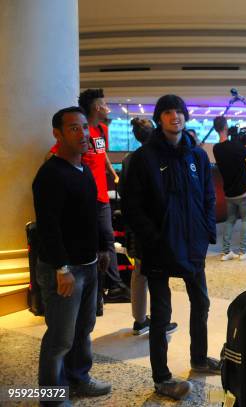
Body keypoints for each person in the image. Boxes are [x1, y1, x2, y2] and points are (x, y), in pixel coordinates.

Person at [123, 95, 221, 400]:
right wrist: (153, 237)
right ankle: (162, 377)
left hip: (193, 244)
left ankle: (199, 358)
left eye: (179, 111)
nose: (174, 117)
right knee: (161, 314)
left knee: (201, 303)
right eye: (168, 112)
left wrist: (206, 232)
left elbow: (207, 197)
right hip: (159, 248)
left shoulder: (197, 156)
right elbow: (133, 206)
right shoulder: (144, 158)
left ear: (185, 116)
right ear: (159, 118)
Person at [33, 107, 112, 406]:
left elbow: (92, 212)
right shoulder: (50, 174)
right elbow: (48, 227)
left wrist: (103, 248)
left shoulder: (83, 169)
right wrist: (61, 267)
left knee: (83, 330)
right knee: (60, 339)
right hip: (65, 269)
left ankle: (79, 379)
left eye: (84, 128)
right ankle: (51, 397)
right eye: (74, 129)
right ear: (58, 134)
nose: (83, 134)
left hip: (88, 265)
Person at [47, 89, 128, 314]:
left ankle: (108, 287)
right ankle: (111, 286)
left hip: (101, 194)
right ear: (96, 107)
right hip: (85, 198)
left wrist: (113, 174)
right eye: (104, 104)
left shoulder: (100, 131)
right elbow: (54, 153)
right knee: (100, 241)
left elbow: (102, 157)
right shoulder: (80, 135)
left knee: (106, 241)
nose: (107, 108)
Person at [120, 118, 178, 336]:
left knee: (140, 272)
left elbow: (125, 195)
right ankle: (160, 321)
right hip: (155, 226)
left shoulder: (129, 159)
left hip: (136, 225)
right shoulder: (157, 158)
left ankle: (140, 320)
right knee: (158, 274)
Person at [212, 115, 246, 261]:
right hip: (243, 191)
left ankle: (225, 252)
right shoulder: (234, 146)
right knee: (245, 220)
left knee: (230, 221)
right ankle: (243, 252)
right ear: (225, 127)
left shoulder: (216, 148)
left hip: (229, 192)